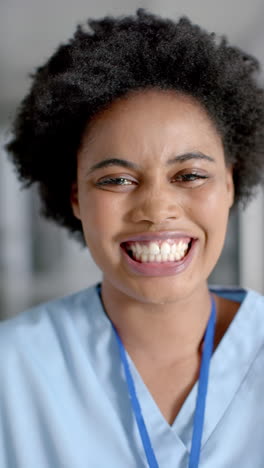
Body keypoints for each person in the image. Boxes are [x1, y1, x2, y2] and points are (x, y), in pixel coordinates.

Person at [1, 9, 264, 468]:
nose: (157, 209)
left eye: (190, 174)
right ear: (76, 198)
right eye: (117, 180)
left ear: (229, 185)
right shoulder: (12, 372)